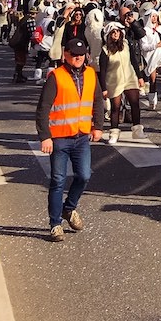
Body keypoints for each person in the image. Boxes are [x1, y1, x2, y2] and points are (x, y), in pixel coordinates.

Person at [35, 36, 104, 242]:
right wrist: (45, 136)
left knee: (84, 176)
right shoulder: (56, 76)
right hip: (60, 138)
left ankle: (69, 208)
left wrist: (98, 126)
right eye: (74, 55)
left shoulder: (91, 74)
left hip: (81, 136)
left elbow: (97, 101)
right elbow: (43, 108)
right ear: (65, 55)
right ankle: (55, 224)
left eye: (81, 55)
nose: (78, 58)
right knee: (58, 180)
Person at [98, 22, 144, 143]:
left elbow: (133, 61)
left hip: (130, 77)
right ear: (108, 35)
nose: (116, 34)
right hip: (113, 81)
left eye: (117, 31)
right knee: (115, 107)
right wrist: (104, 88)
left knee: (135, 103)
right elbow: (102, 70)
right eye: (113, 32)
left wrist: (140, 77)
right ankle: (114, 133)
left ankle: (137, 130)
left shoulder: (126, 44)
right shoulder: (105, 50)